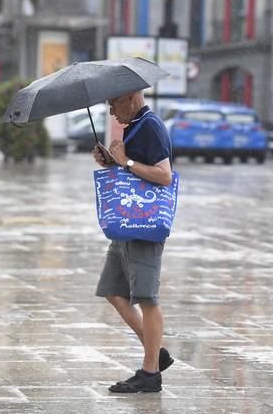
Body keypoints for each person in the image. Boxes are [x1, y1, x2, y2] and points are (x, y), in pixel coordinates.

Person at [92, 89, 175, 393]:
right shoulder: (135, 125)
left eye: (113, 103)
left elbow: (164, 175)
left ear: (131, 97)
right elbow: (135, 172)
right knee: (114, 291)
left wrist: (125, 162)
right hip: (127, 223)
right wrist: (111, 162)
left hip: (144, 224)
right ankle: (158, 353)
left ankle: (150, 373)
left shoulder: (150, 125)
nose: (112, 111)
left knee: (147, 298)